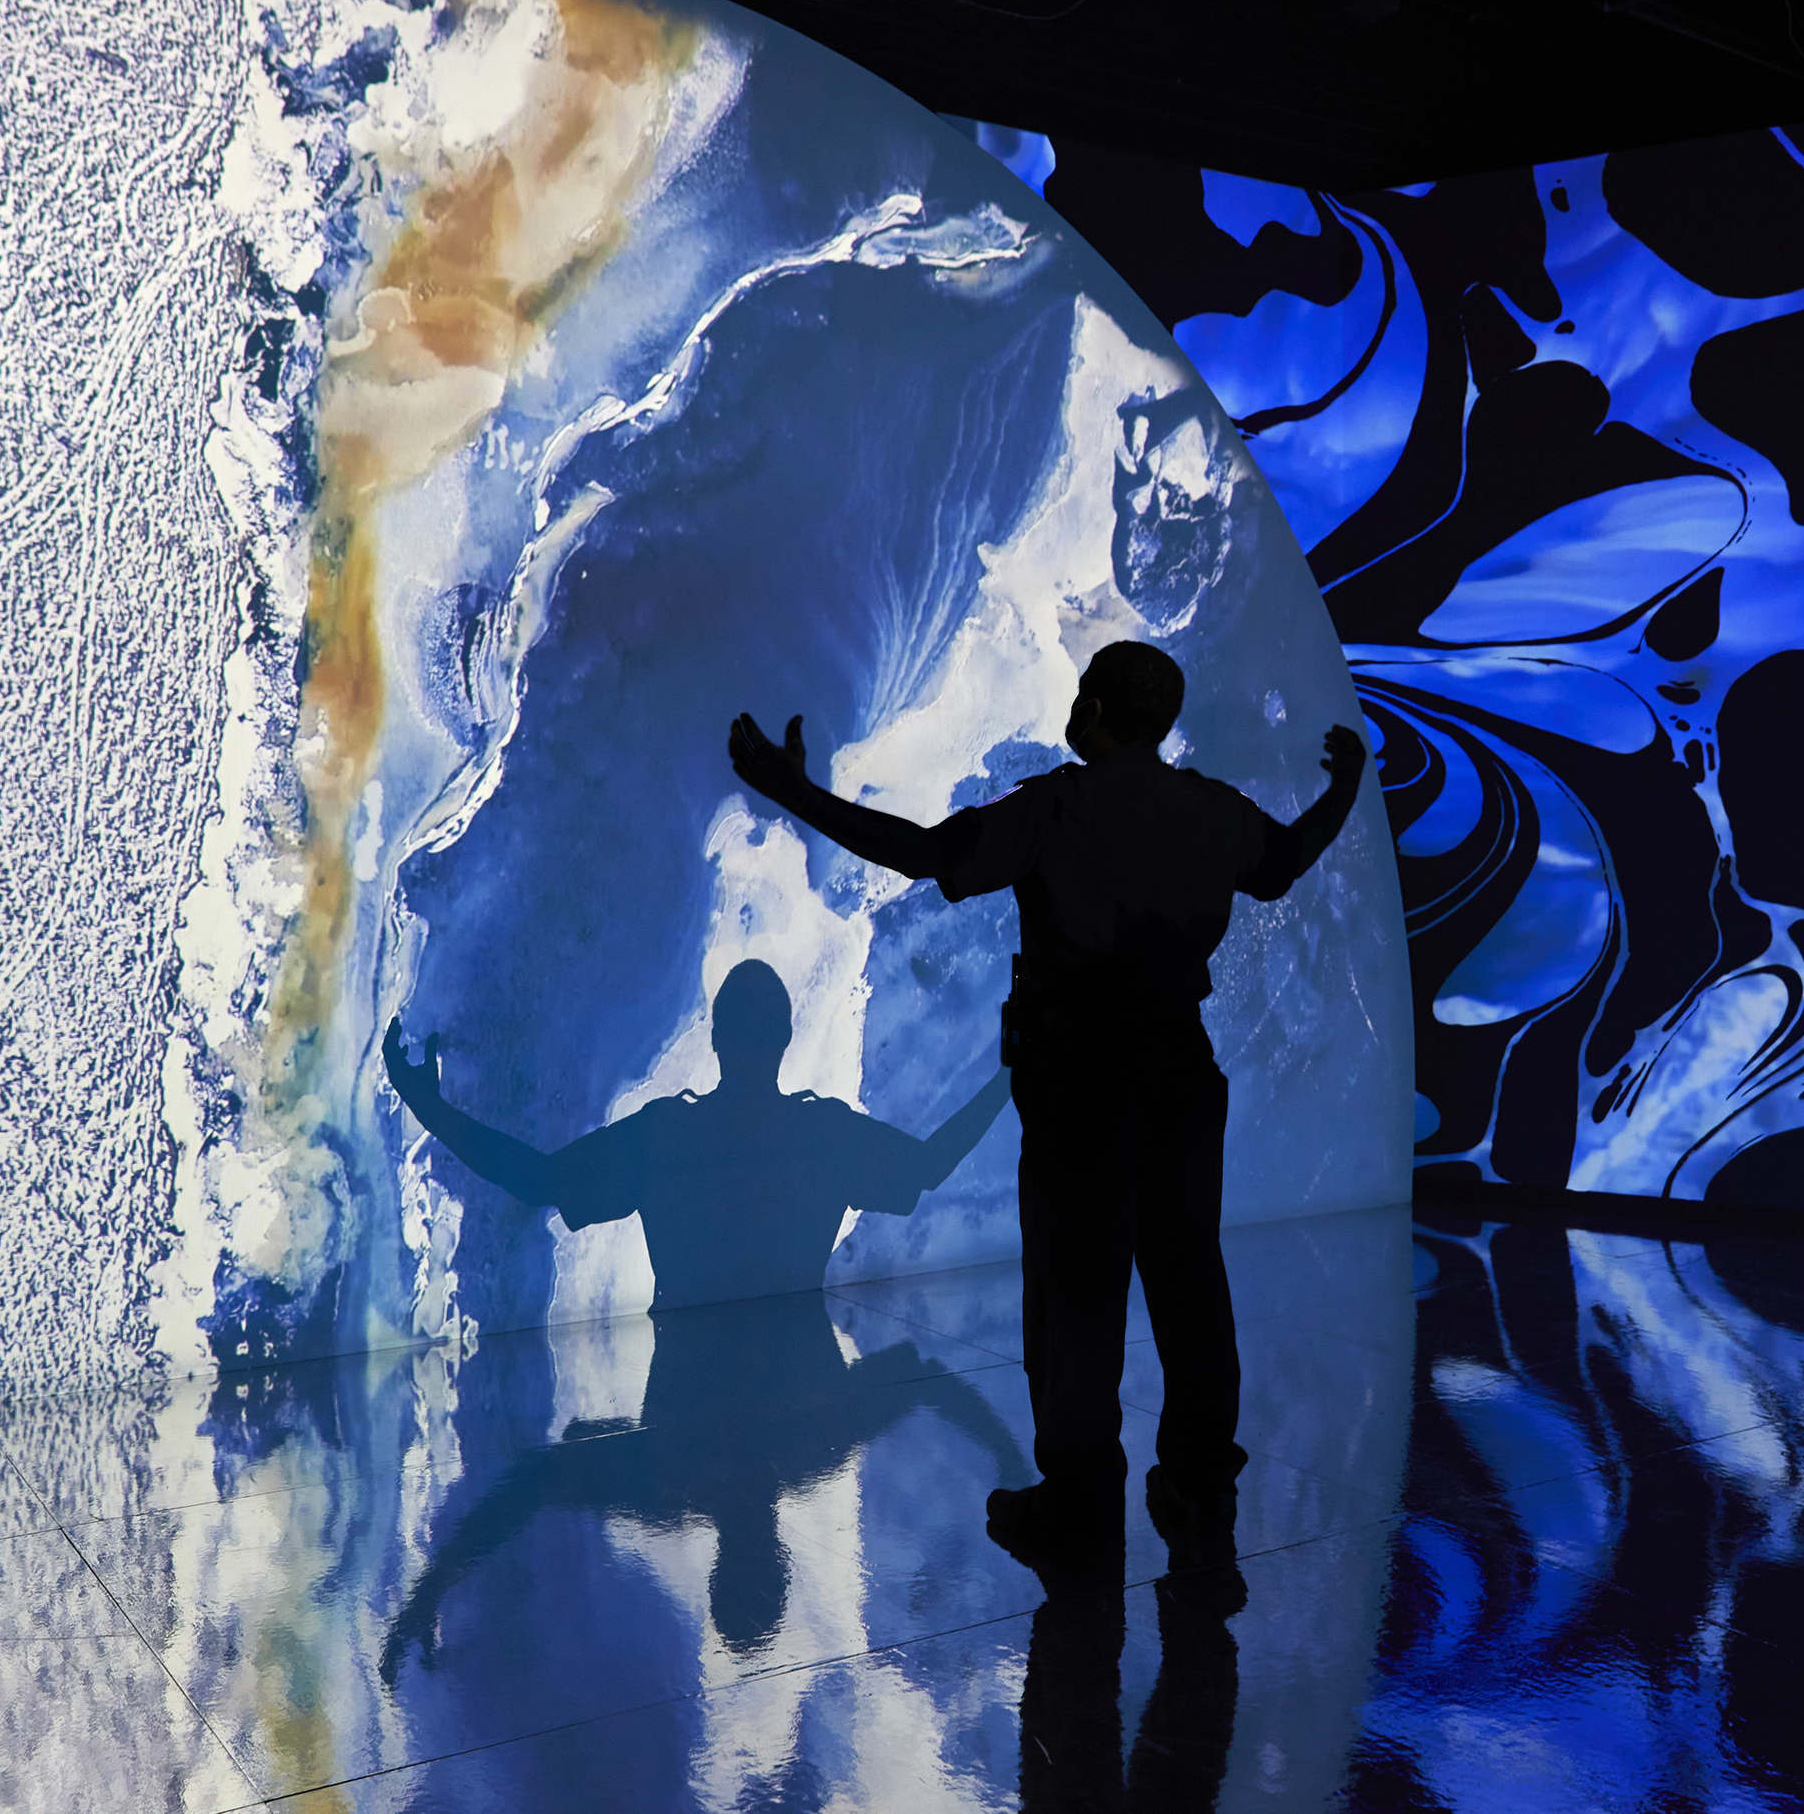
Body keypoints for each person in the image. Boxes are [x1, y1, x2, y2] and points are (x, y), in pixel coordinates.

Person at [724, 639, 1365, 1560]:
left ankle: (1079, 1508)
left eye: (1082, 694)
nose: (1073, 705)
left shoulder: (1058, 808)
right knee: (1191, 1284)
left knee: (1077, 1302)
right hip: (1183, 1079)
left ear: (1097, 712)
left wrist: (791, 792)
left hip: (1081, 1089)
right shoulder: (1211, 811)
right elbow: (1285, 861)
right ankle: (1197, 1487)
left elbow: (921, 853)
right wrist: (1345, 788)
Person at [382, 958, 1009, 1310]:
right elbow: (929, 1165)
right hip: (794, 1387)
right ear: (786, 1039)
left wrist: (431, 1109)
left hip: (683, 1399)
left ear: (715, 1039)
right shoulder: (823, 1134)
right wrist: (1010, 1076)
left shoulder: (667, 1137)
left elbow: (537, 1178)